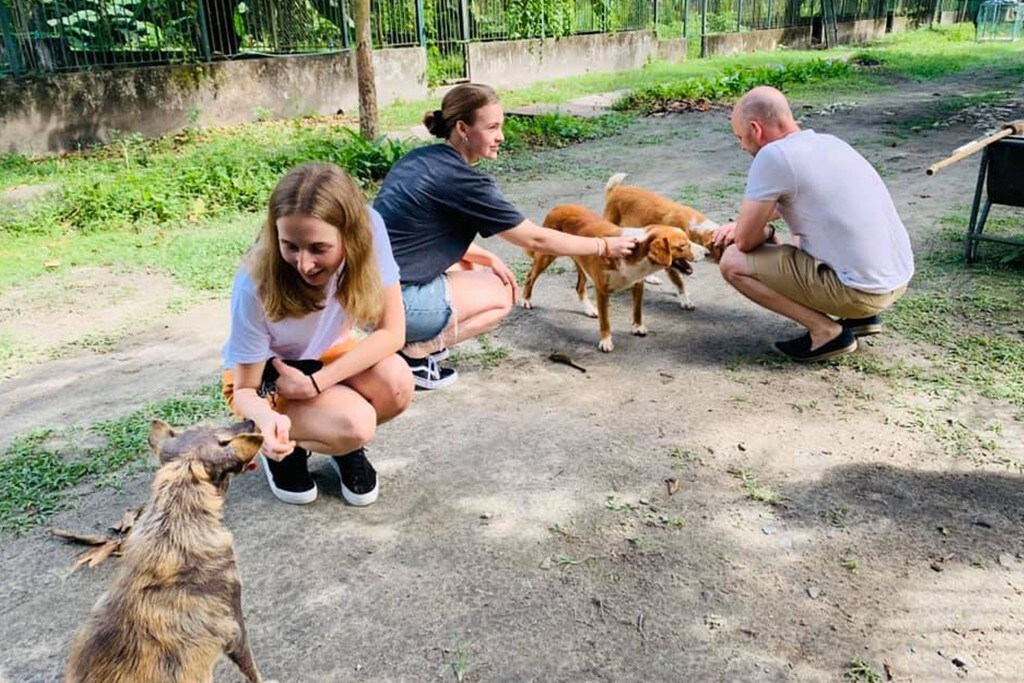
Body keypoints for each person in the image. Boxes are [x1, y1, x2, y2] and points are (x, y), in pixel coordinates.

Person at [373, 83, 638, 390]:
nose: (502, 136)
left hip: (365, 290)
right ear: (462, 128)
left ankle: (398, 341)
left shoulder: (420, 159)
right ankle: (412, 355)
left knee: (474, 268)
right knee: (502, 292)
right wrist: (604, 244)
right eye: (492, 127)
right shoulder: (464, 181)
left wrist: (484, 255)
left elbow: (416, 233)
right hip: (392, 304)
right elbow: (536, 239)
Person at [221, 163, 413, 506]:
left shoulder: (370, 227)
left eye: (318, 248)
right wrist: (267, 422)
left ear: (350, 235)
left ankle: (340, 443)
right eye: (290, 245)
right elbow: (246, 388)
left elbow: (393, 332)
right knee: (356, 422)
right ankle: (289, 448)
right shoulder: (254, 281)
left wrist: (316, 383)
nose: (304, 263)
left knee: (397, 381)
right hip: (269, 376)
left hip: (328, 356)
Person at [713, 86, 914, 362]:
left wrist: (759, 231)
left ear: (755, 129)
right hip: (895, 279)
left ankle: (826, 333)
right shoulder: (830, 143)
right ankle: (860, 318)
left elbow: (746, 241)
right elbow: (803, 203)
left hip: (860, 291)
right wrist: (745, 224)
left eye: (741, 137)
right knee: (802, 238)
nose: (742, 145)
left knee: (733, 262)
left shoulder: (772, 156)